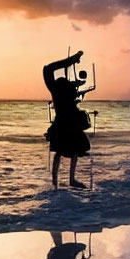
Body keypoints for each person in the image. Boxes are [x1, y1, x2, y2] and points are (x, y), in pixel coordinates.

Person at [43, 51, 91, 189]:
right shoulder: (67, 94)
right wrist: (72, 60)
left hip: (61, 125)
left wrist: (70, 61)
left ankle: (55, 181)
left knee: (59, 152)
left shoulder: (56, 92)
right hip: (69, 125)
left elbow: (48, 69)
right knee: (73, 151)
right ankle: (71, 180)